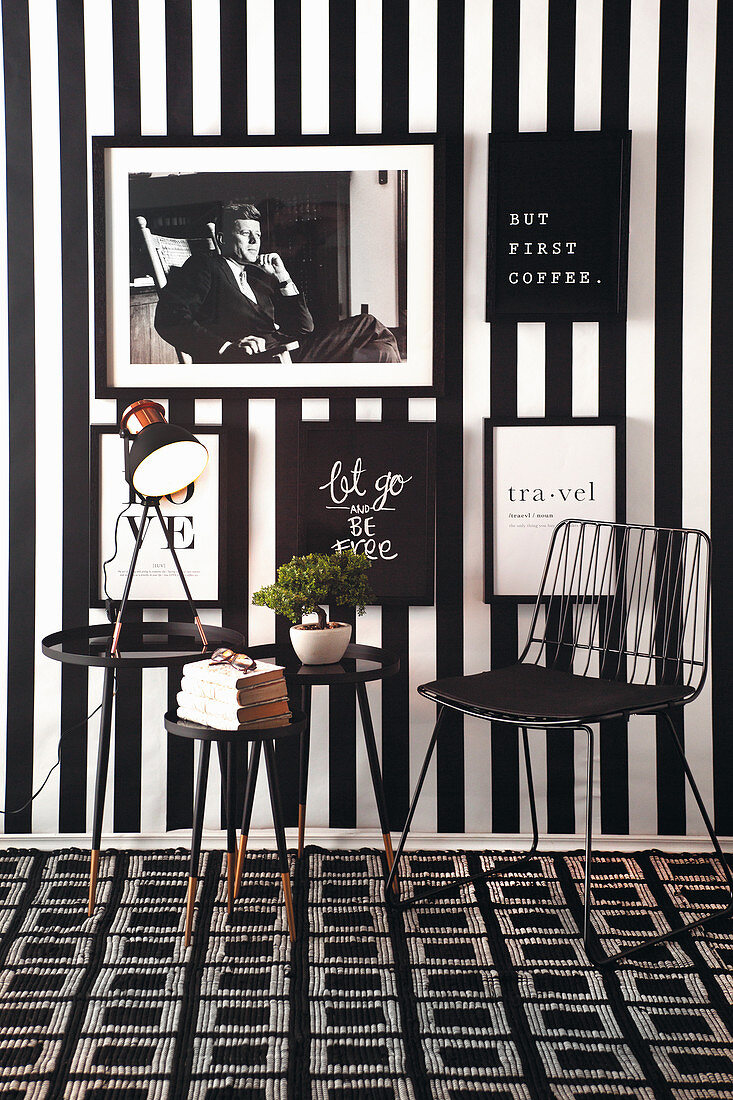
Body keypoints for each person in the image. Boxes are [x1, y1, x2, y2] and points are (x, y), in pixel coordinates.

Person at [154, 201, 401, 364]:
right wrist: (227, 348)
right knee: (368, 324)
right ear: (222, 239)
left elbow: (304, 329)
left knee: (383, 351)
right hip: (263, 360)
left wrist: (283, 277)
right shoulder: (206, 266)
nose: (254, 241)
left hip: (288, 347)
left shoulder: (255, 278)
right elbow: (169, 318)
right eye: (244, 233)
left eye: (258, 235)